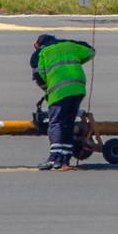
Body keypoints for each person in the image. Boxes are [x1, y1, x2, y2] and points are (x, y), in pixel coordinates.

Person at [31, 32, 95, 170]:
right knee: (67, 123)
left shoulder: (42, 53)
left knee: (56, 123)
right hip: (78, 89)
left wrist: (47, 90)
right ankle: (65, 159)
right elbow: (90, 51)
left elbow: (38, 75)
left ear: (39, 45)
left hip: (59, 92)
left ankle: (54, 158)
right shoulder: (69, 45)